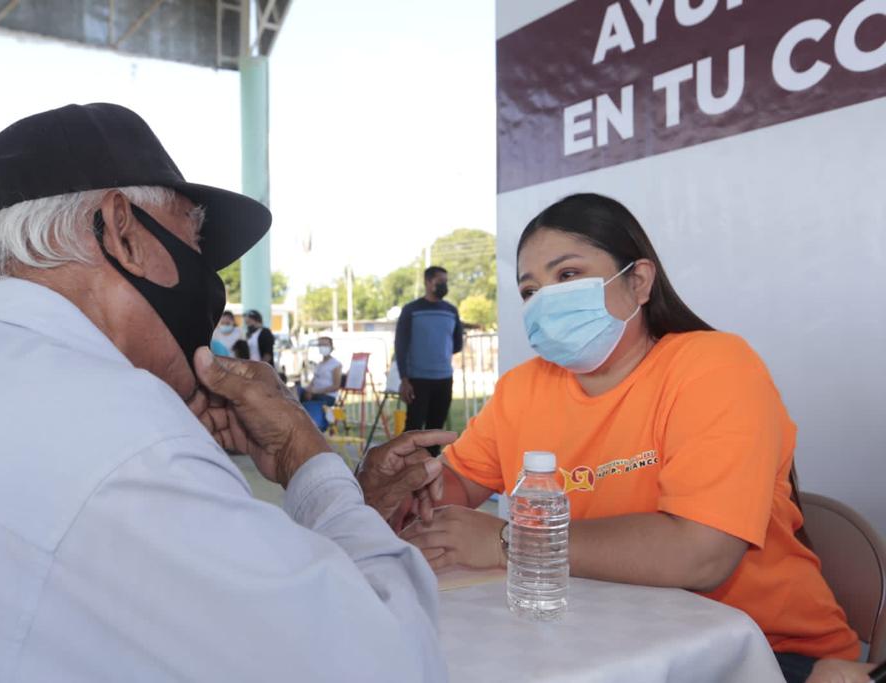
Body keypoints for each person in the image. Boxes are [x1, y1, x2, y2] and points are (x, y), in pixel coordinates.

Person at [0, 103, 451, 682]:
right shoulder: (122, 438)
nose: (207, 277)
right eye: (194, 241)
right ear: (122, 231)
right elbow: (391, 662)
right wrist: (307, 458)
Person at [397, 194, 873, 683]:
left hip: (762, 651)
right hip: (597, 637)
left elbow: (701, 553)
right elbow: (448, 488)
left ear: (638, 281)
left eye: (567, 276)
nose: (545, 301)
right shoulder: (523, 388)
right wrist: (399, 487)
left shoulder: (713, 367)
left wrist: (508, 541)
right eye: (529, 290)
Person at [394, 265, 464, 442]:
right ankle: (406, 467)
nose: (444, 285)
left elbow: (457, 344)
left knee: (436, 429)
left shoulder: (451, 311)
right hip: (417, 380)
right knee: (413, 429)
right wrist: (404, 379)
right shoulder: (411, 310)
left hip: (444, 379)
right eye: (440, 281)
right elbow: (400, 345)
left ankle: (431, 465)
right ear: (427, 282)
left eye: (446, 282)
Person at [297, 336, 343, 430]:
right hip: (314, 394)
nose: (322, 347)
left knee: (311, 409)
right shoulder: (319, 365)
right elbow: (313, 382)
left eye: (325, 345)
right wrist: (308, 390)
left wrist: (315, 392)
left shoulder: (335, 364)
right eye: (320, 345)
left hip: (326, 396)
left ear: (331, 346)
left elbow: (335, 386)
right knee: (294, 390)